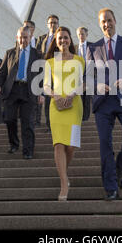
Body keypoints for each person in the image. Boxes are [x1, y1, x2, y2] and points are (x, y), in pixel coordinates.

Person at [86, 8, 122, 200]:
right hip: (103, 102)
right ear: (99, 24)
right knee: (105, 144)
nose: (106, 24)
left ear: (115, 20)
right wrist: (97, 84)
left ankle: (119, 166)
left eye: (109, 20)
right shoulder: (92, 48)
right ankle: (110, 188)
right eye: (103, 21)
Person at [44, 26, 84, 201]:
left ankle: (64, 174)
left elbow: (83, 84)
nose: (63, 41)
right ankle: (63, 183)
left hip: (74, 105)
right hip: (57, 106)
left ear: (70, 40)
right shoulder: (50, 62)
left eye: (66, 38)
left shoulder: (79, 60)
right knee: (59, 144)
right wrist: (56, 95)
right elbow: (46, 86)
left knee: (71, 145)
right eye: (60, 38)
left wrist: (72, 94)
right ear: (56, 41)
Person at [0, 26, 43, 159]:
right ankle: (14, 143)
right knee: (9, 119)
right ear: (17, 38)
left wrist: (41, 93)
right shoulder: (10, 53)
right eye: (20, 37)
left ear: (30, 38)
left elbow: (42, 75)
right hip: (12, 90)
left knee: (27, 122)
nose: (23, 40)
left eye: (25, 37)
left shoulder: (37, 54)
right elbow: (2, 72)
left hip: (29, 90)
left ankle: (28, 150)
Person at [36, 15, 60, 131]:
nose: (53, 25)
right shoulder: (42, 39)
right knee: (45, 97)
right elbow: (36, 54)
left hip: (56, 72)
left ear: (58, 24)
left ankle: (55, 123)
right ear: (47, 24)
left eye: (55, 23)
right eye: (51, 23)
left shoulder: (61, 38)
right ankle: (48, 124)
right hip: (43, 70)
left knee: (54, 98)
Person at [24, 20, 42, 126]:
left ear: (33, 29)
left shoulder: (39, 41)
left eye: (27, 26)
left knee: (37, 99)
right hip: (25, 76)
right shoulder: (19, 42)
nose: (25, 28)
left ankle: (37, 121)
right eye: (24, 26)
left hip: (37, 74)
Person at [75, 27, 92, 121]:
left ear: (86, 35)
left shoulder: (93, 46)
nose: (81, 36)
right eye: (79, 34)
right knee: (79, 97)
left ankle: (85, 118)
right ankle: (79, 116)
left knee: (87, 97)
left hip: (89, 74)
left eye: (82, 34)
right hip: (78, 75)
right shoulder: (74, 47)